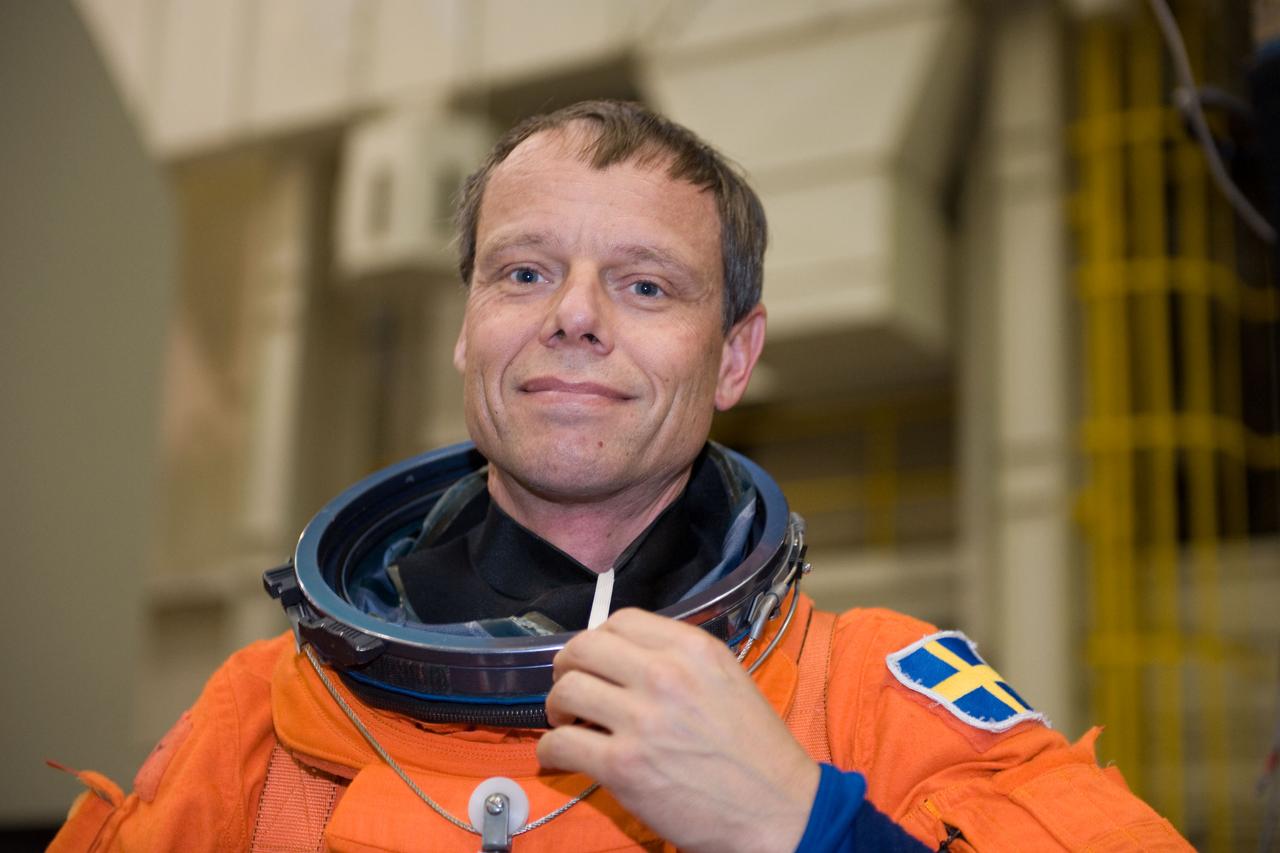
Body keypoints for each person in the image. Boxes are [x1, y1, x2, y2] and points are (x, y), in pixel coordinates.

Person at [49, 100, 1190, 852]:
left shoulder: (871, 700)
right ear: (466, 329)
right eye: (524, 271)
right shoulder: (258, 719)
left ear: (732, 354)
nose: (574, 319)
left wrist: (806, 824)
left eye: (645, 286)